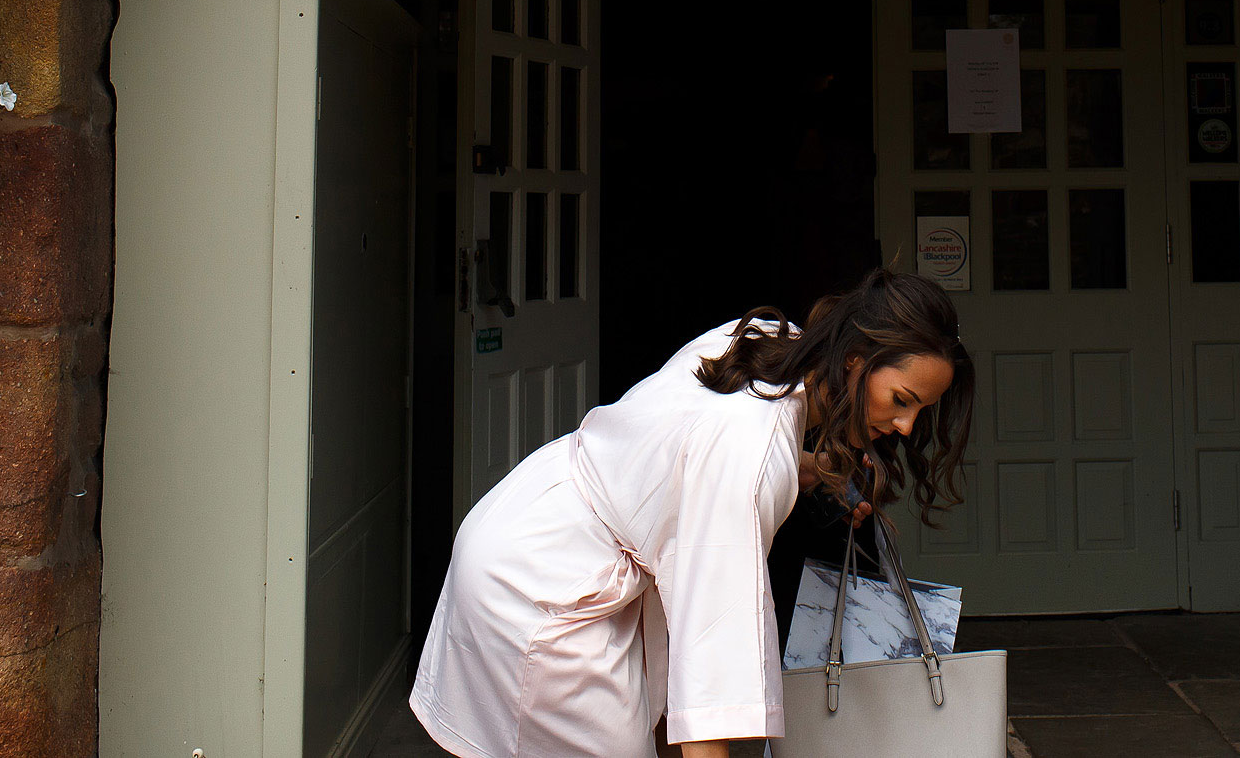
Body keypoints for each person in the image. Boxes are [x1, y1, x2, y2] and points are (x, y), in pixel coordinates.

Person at [410, 268, 976, 758]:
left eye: (919, 411)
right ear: (856, 361)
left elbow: (690, 450)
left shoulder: (770, 341)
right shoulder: (748, 456)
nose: (906, 427)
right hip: (544, 590)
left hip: (527, 520)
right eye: (902, 400)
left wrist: (815, 469)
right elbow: (712, 676)